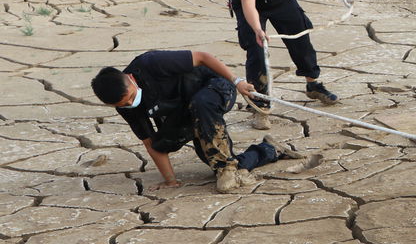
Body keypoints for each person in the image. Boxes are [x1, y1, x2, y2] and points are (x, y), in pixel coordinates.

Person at [90, 50, 305, 193]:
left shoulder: (151, 64)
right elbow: (149, 143)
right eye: (123, 103)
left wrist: (236, 81)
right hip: (186, 109)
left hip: (215, 87)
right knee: (211, 158)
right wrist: (170, 180)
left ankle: (226, 168)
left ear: (129, 79)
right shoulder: (126, 108)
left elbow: (202, 57)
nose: (130, 102)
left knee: (201, 104)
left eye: (129, 96)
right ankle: (269, 150)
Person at [229, 0, 359, 130]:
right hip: (252, 4)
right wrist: (257, 29)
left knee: (301, 38)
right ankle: (260, 106)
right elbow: (247, 3)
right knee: (257, 50)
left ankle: (313, 84)